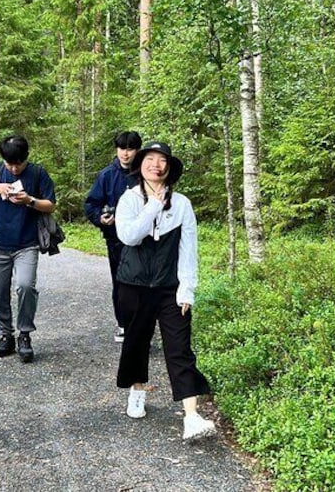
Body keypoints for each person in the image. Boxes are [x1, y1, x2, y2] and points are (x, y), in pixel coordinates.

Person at [114, 141, 217, 441]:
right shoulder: (129, 200)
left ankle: (192, 415)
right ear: (140, 164)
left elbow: (188, 250)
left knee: (179, 348)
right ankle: (137, 390)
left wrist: (188, 290)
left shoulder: (182, 204)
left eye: (162, 161)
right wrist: (155, 205)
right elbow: (129, 237)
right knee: (136, 342)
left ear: (169, 168)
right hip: (133, 286)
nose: (156, 165)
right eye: (150, 159)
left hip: (170, 289)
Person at [0, 135, 57, 363]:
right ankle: (5, 335)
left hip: (27, 243)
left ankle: (24, 335)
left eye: (18, 164)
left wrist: (29, 200)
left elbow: (50, 205)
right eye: (9, 164)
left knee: (25, 286)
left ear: (26, 158)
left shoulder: (38, 173)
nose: (13, 168)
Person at [84, 131, 142, 343]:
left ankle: (142, 324)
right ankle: (123, 324)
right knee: (121, 282)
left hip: (144, 238)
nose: (125, 154)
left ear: (137, 150)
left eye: (129, 149)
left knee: (144, 283)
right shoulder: (107, 175)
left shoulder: (144, 173)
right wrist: (101, 218)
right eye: (121, 149)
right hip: (116, 239)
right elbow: (91, 204)